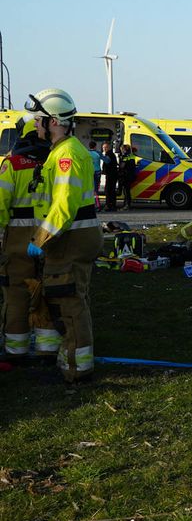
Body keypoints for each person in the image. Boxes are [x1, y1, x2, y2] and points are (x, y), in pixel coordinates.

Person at [25, 88, 102, 383]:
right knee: (69, 299)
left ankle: (76, 368)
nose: (35, 125)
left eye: (38, 120)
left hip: (71, 238)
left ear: (54, 122)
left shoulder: (66, 154)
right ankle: (72, 360)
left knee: (68, 302)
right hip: (70, 237)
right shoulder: (61, 151)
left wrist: (40, 240)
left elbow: (63, 205)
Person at [0, 118, 54, 363]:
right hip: (50, 235)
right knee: (49, 291)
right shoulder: (55, 163)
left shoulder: (11, 164)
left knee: (16, 293)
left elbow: (1, 203)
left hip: (18, 238)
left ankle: (16, 350)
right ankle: (48, 349)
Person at [100, 142, 119, 211]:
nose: (104, 149)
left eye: (106, 147)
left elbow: (107, 163)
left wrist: (104, 171)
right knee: (111, 190)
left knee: (108, 190)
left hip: (111, 175)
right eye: (103, 147)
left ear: (109, 148)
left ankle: (109, 205)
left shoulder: (109, 154)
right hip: (112, 175)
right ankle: (112, 205)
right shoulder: (110, 154)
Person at [118, 143, 136, 210]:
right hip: (130, 175)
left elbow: (122, 166)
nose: (121, 151)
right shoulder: (131, 156)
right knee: (127, 191)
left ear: (124, 150)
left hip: (126, 176)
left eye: (122, 149)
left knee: (126, 191)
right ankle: (126, 204)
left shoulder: (125, 157)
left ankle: (127, 205)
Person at [88, 144, 103, 210]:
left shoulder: (87, 153)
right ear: (95, 146)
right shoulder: (98, 153)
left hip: (90, 172)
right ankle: (97, 205)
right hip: (97, 172)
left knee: (91, 188)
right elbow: (107, 160)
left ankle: (93, 204)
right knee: (96, 189)